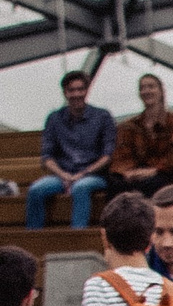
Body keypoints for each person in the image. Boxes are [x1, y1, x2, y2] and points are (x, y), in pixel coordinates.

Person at [25, 72, 115, 230]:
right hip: (62, 175)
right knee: (36, 190)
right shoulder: (54, 118)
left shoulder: (102, 116)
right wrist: (64, 175)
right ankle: (33, 237)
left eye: (80, 89)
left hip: (94, 175)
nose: (76, 94)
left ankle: (76, 236)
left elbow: (107, 155)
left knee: (80, 187)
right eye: (71, 90)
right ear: (65, 93)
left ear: (87, 90)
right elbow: (47, 157)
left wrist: (83, 174)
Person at [108, 74, 173, 200]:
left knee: (152, 184)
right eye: (142, 88)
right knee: (116, 183)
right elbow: (122, 155)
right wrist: (129, 172)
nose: (146, 91)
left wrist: (152, 171)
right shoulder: (130, 125)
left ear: (161, 91)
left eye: (151, 87)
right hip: (135, 172)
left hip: (163, 172)